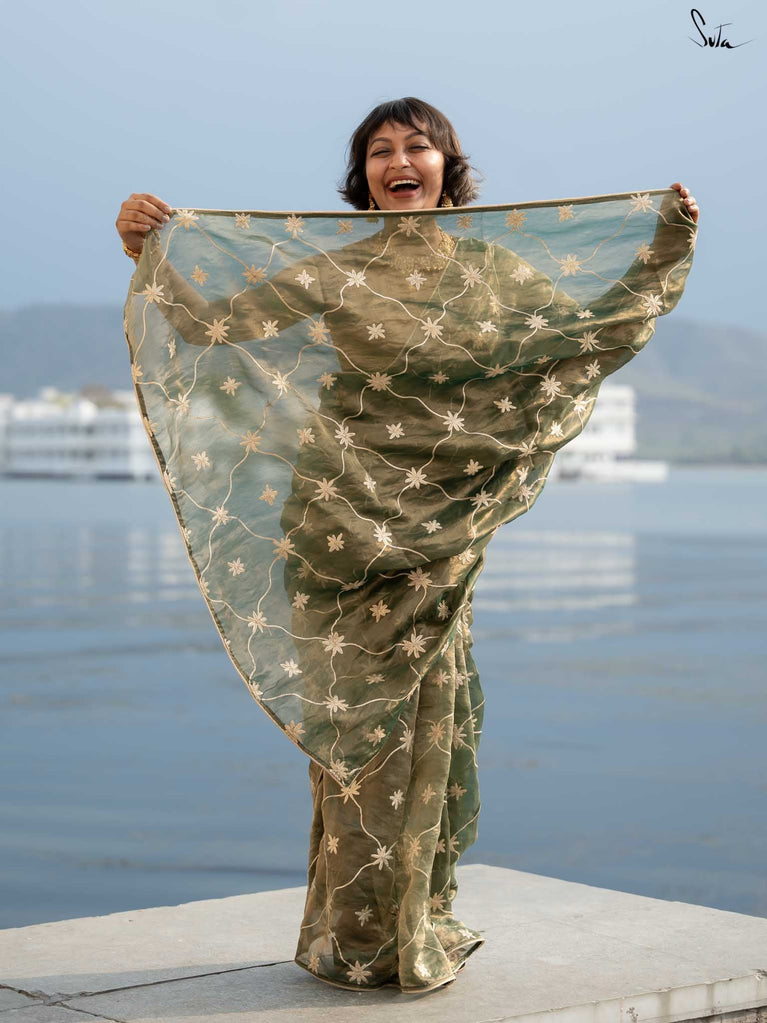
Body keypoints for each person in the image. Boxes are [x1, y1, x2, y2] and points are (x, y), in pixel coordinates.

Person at [115, 98, 699, 994]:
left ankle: (413, 920)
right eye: (379, 150)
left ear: (445, 166)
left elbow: (588, 332)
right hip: (335, 526)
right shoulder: (335, 269)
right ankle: (355, 940)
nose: (399, 160)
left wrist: (662, 244)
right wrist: (147, 250)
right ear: (362, 178)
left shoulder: (494, 270)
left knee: (430, 721)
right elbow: (210, 328)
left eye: (416, 146)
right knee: (356, 734)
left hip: (436, 529)